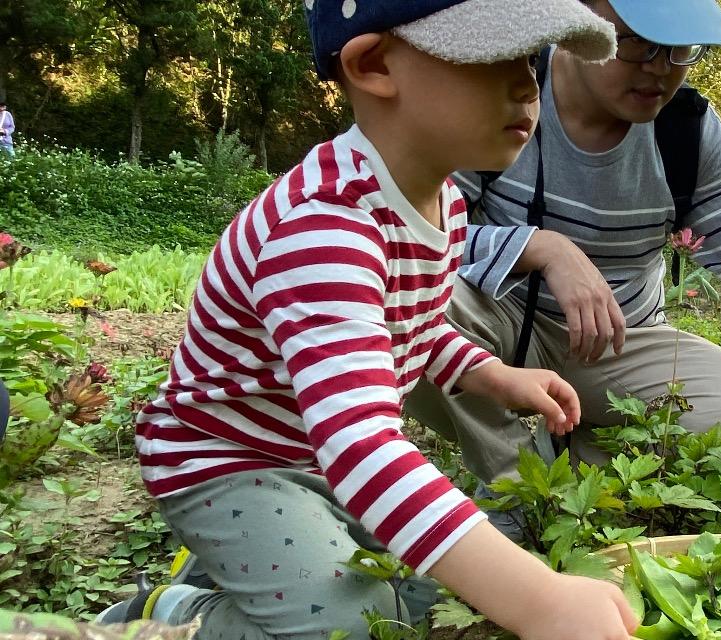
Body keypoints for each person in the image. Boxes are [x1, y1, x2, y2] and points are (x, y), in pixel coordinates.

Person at [96, 2, 638, 639]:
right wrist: (541, 602)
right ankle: (175, 613)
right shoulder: (324, 228)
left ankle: (251, 568)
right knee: (354, 628)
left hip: (315, 457)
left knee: (427, 592)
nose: (527, 84)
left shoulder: (445, 203)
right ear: (375, 65)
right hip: (231, 462)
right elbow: (360, 444)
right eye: (493, 56)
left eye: (529, 57)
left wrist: (493, 375)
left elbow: (415, 325)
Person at [404, 0, 721, 511]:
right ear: (577, 20)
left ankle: (563, 461)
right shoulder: (505, 90)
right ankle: (516, 490)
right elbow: (407, 233)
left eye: (681, 47)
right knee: (402, 300)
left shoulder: (688, 132)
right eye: (636, 42)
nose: (660, 69)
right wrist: (538, 247)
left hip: (620, 343)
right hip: (495, 326)